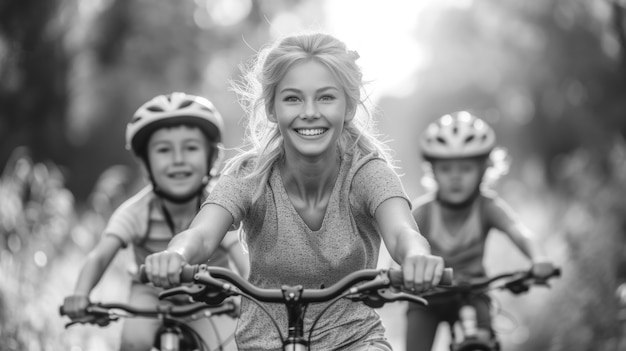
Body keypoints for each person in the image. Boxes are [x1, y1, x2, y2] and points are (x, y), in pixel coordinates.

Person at [143, 32, 445, 351]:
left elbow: (402, 233)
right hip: (262, 343)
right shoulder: (250, 176)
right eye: (293, 98)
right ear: (273, 109)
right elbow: (201, 235)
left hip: (354, 340)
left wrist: (416, 258)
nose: (310, 111)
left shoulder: (368, 174)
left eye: (326, 97)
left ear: (349, 106)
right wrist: (176, 256)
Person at [62, 92, 249, 351]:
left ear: (212, 157)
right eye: (163, 150)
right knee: (134, 341)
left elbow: (242, 259)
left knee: (232, 344)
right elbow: (99, 256)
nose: (178, 159)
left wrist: (254, 291)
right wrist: (80, 294)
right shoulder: (136, 211)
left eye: (191, 148)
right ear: (145, 162)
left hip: (210, 299)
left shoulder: (218, 207)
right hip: (151, 297)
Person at [404, 111, 553, 351]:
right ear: (432, 171)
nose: (455, 177)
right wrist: (396, 274)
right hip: (427, 297)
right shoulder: (423, 212)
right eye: (446, 169)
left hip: (473, 291)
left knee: (487, 343)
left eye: (465, 169)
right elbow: (402, 245)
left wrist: (540, 258)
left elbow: (519, 232)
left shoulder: (486, 206)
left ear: (484, 169)